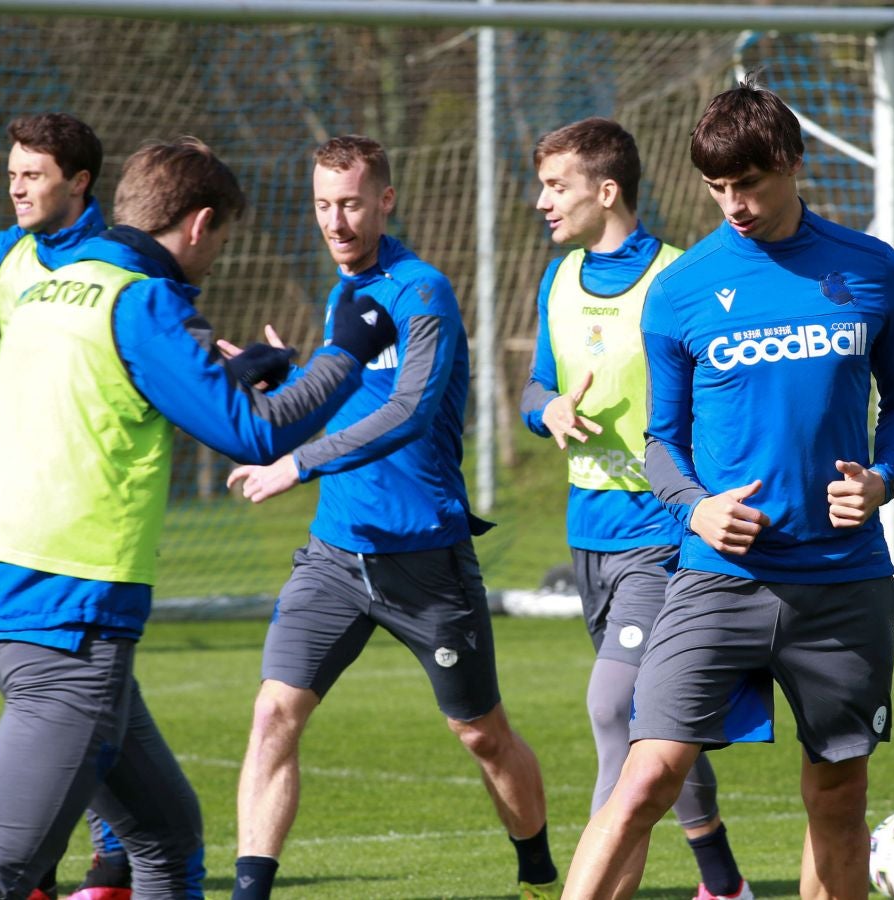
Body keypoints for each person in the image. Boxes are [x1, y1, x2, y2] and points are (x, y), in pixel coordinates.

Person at [0, 136, 395, 900]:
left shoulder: (61, 287)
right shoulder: (146, 300)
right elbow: (256, 435)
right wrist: (346, 353)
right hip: (70, 623)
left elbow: (110, 395)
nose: (215, 259)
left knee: (164, 840)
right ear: (198, 225)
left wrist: (226, 376)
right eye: (220, 241)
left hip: (15, 597)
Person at [559, 78, 894, 898]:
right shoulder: (682, 289)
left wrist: (882, 480)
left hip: (842, 584)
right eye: (718, 188)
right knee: (645, 777)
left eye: (750, 183)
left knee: (838, 795)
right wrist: (696, 505)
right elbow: (662, 444)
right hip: (715, 581)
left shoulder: (873, 272)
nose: (735, 204)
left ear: (792, 163)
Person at [228, 134, 560, 900]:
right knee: (274, 712)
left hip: (426, 560)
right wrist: (290, 379)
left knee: (481, 734)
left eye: (349, 203)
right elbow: (354, 391)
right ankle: (249, 892)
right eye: (321, 205)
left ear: (385, 201)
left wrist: (299, 461)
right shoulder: (344, 296)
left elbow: (409, 410)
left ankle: (539, 877)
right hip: (335, 554)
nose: (335, 221)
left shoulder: (422, 293)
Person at [520, 117, 751, 900]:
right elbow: (534, 390)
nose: (542, 202)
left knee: (613, 705)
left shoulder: (682, 281)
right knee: (659, 721)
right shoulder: (558, 280)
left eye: (557, 186)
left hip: (662, 535)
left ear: (606, 190)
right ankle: (723, 882)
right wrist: (549, 412)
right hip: (589, 532)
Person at [0, 112, 134, 900]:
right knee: (86, 714)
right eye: (11, 175)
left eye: (31, 175)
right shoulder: (10, 254)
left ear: (79, 182)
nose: (15, 187)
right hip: (13, 544)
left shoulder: (125, 262)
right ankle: (97, 862)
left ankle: (70, 864)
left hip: (90, 546)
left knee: (80, 708)